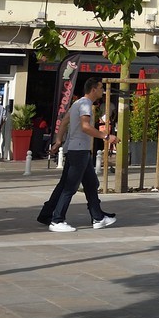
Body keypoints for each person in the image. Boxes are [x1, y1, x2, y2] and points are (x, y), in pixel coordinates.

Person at [38, 77, 117, 233]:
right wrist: (107, 137)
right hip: (79, 150)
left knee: (91, 184)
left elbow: (64, 122)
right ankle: (57, 220)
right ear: (93, 89)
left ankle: (98, 217)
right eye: (101, 88)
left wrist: (58, 141)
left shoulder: (77, 103)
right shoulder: (86, 105)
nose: (103, 91)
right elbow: (85, 127)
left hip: (77, 150)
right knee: (70, 187)